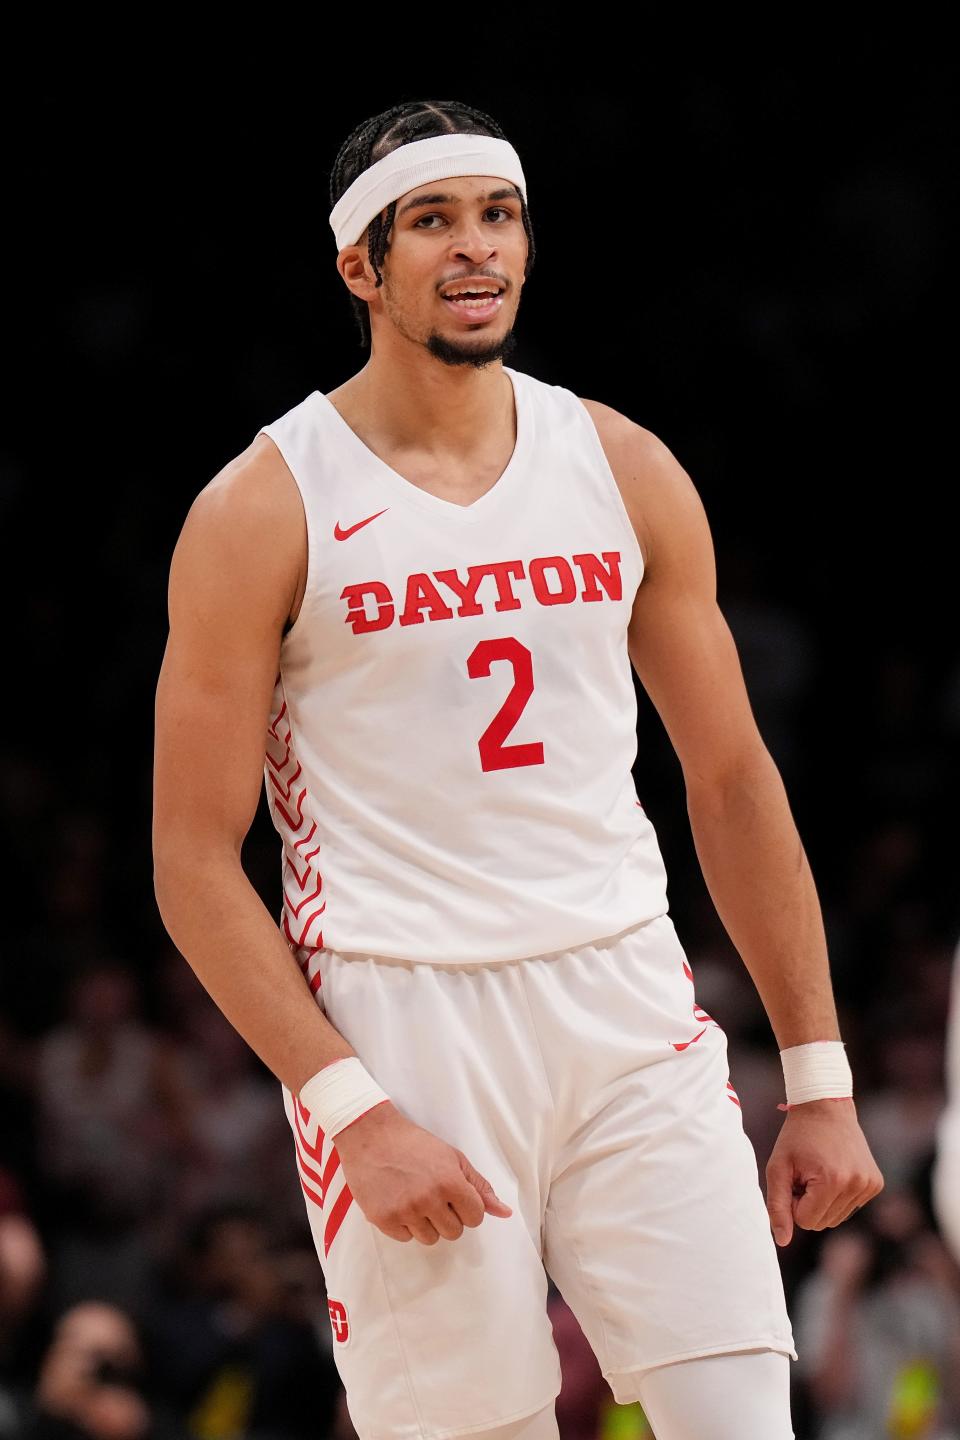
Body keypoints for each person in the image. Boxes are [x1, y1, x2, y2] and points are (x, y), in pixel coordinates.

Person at [152, 98, 885, 1440]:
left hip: (625, 996)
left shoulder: (619, 463)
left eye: (498, 215)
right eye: (431, 221)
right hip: (403, 1023)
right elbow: (192, 862)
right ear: (359, 267)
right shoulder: (263, 506)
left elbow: (729, 777)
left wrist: (820, 1078)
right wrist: (350, 1111)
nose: (476, 248)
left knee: (741, 1419)